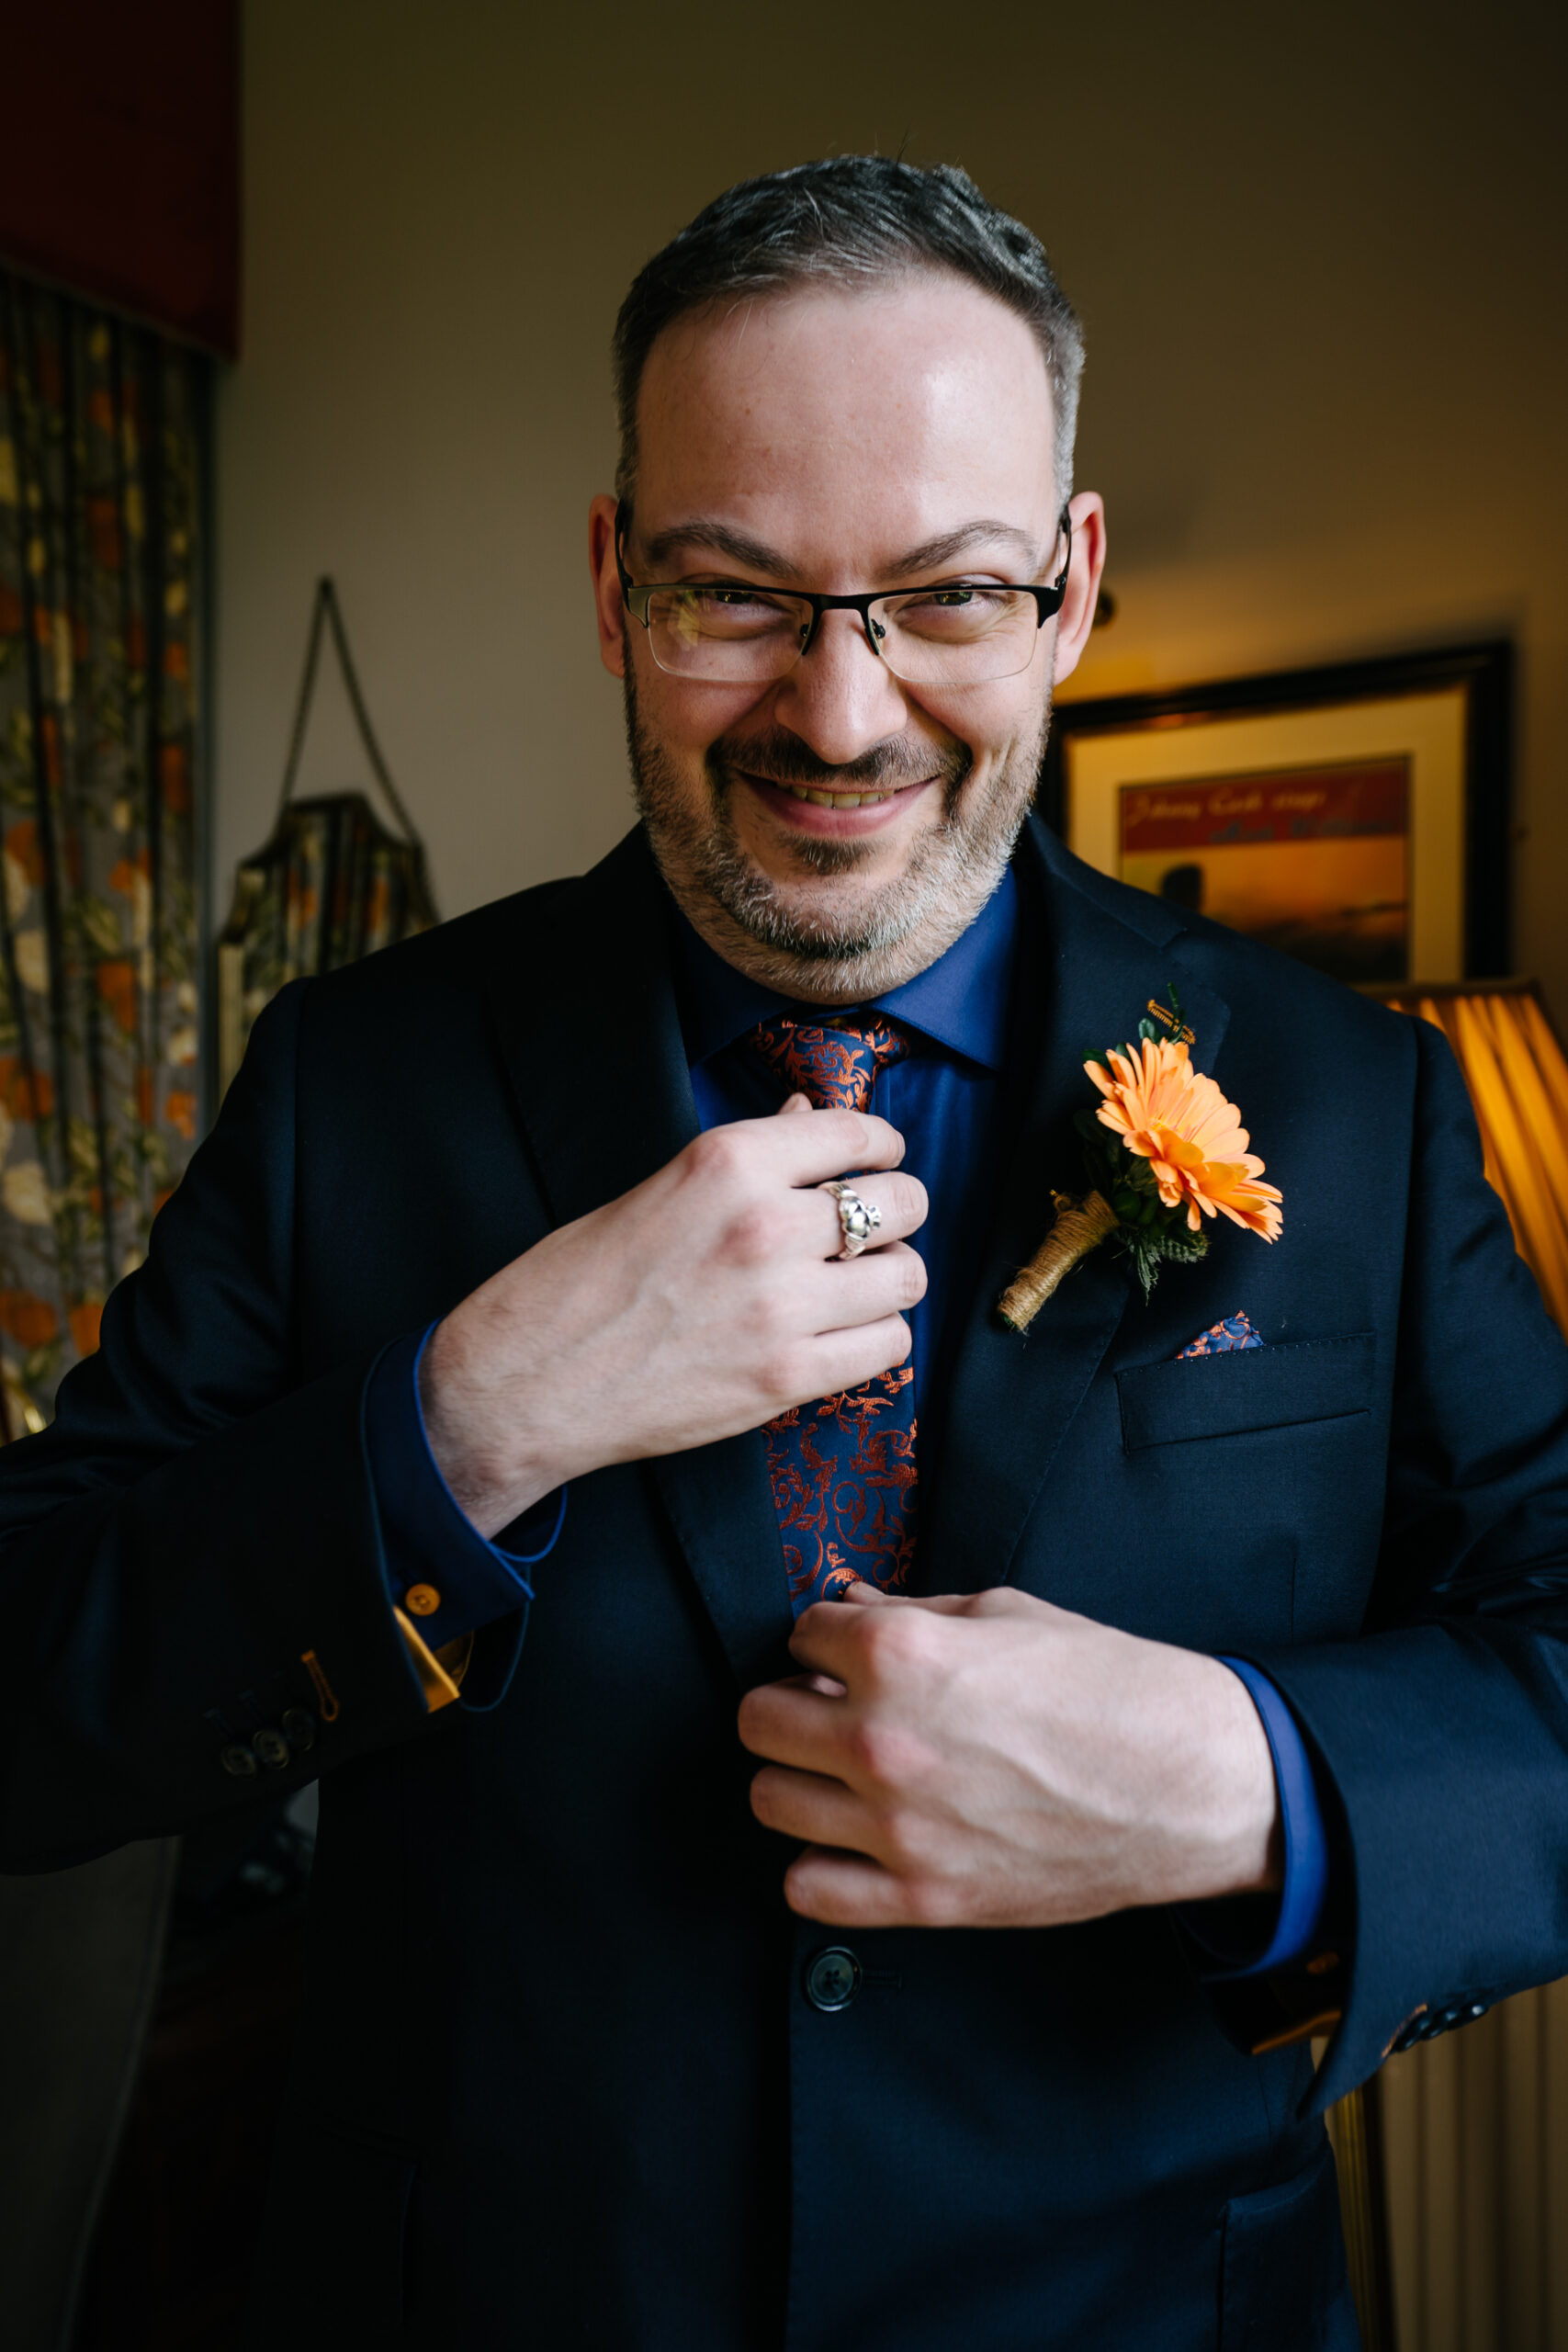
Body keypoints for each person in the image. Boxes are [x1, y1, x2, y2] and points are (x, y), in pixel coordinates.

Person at [2, 156, 1566, 2352]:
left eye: (939, 596)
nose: (837, 720)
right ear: (608, 576)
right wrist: (473, 1409)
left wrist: (1242, 1778)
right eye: (732, 595)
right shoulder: (350, 1079)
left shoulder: (1354, 1103)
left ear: (1069, 584)